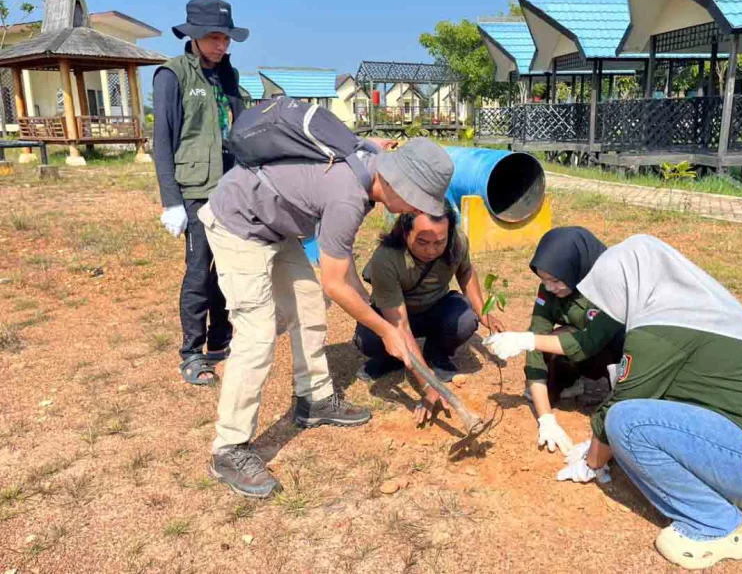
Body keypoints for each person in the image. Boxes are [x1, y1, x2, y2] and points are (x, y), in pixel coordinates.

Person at [201, 137, 454, 498]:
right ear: (400, 184)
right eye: (415, 200)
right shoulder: (349, 195)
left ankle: (313, 399)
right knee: (257, 334)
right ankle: (229, 448)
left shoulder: (372, 171)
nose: (412, 210)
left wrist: (372, 309)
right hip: (239, 220)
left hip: (277, 223)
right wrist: (384, 329)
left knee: (308, 304)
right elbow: (335, 283)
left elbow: (342, 261)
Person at [549, 235, 742, 570]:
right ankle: (728, 487)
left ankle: (715, 524)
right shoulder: (696, 308)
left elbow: (623, 400)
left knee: (626, 422)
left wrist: (592, 460)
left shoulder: (659, 331)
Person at [153, 0, 247, 385]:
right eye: (213, 38)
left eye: (226, 38)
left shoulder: (229, 76)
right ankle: (192, 352)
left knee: (228, 269)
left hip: (230, 189)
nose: (221, 45)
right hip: (194, 191)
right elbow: (162, 141)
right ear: (192, 36)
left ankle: (220, 341)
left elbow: (240, 130)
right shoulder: (172, 75)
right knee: (198, 272)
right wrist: (172, 201)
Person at [353, 205, 506, 423]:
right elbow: (400, 326)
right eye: (422, 242)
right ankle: (392, 359)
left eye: (439, 242)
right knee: (368, 340)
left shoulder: (457, 242)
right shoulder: (386, 259)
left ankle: (436, 354)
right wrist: (428, 384)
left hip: (433, 309)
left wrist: (483, 312)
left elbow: (465, 271)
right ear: (405, 233)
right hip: (395, 315)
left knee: (465, 320)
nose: (431, 250)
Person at [483, 227, 624, 455]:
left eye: (556, 281)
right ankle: (574, 383)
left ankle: (609, 388)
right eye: (544, 280)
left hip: (615, 353)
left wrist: (529, 340)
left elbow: (589, 342)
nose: (549, 287)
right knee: (545, 342)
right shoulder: (549, 290)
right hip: (583, 346)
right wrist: (546, 419)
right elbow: (536, 341)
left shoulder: (608, 288)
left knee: (619, 410)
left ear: (575, 268)